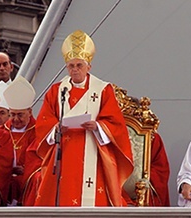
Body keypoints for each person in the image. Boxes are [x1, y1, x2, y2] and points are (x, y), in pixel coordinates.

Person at [34, 30, 133, 206]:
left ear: (89, 67)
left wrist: (98, 126)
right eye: (71, 66)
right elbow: (43, 122)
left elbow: (116, 123)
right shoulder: (57, 91)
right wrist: (55, 129)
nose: (75, 70)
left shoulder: (102, 89)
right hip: (64, 151)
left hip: (93, 151)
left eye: (79, 65)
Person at [2, 76, 37, 205]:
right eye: (12, 114)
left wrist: (26, 168)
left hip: (26, 176)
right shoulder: (2, 130)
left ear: (30, 112)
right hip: (5, 174)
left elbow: (39, 156)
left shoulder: (38, 131)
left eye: (20, 115)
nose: (15, 119)